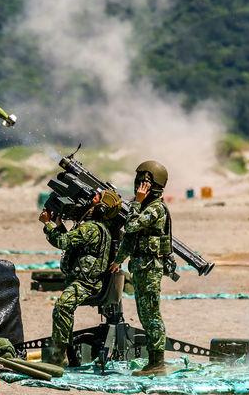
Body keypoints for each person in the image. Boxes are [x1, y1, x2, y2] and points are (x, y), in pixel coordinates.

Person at [39, 190, 121, 366]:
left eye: (95, 198)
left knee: (62, 306)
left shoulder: (91, 228)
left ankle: (59, 356)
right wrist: (59, 224)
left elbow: (62, 242)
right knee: (65, 309)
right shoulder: (97, 227)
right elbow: (72, 241)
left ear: (101, 207)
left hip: (86, 283)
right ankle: (70, 355)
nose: (91, 199)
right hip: (89, 281)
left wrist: (47, 224)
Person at [109, 160, 172, 376]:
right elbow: (130, 237)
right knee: (145, 314)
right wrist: (118, 260)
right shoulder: (145, 206)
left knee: (152, 315)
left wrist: (137, 201)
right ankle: (154, 362)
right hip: (141, 267)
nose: (140, 186)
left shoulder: (155, 209)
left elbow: (132, 225)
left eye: (144, 182)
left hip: (150, 269)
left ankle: (157, 363)